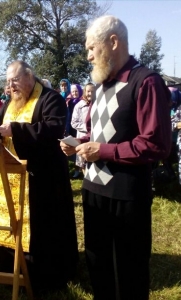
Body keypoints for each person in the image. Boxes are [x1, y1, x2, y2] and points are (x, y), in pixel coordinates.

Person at [60, 15, 171, 300]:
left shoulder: (146, 82)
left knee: (130, 270)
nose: (88, 56)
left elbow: (156, 144)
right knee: (98, 265)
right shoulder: (99, 86)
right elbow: (106, 135)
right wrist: (82, 143)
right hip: (93, 187)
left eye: (91, 48)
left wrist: (103, 151)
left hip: (127, 193)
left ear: (113, 42)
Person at [0, 60, 78, 291]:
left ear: (29, 76)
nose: (11, 86)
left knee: (42, 229)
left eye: (14, 80)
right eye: (8, 81)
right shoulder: (10, 104)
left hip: (42, 179)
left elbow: (52, 128)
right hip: (12, 176)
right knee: (12, 225)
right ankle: (11, 272)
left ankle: (41, 278)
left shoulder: (50, 99)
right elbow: (0, 124)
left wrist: (14, 130)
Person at [71, 83, 94, 178]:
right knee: (83, 158)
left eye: (92, 91)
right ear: (85, 92)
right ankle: (85, 178)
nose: (90, 93)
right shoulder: (79, 106)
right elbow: (74, 122)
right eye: (88, 91)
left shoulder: (98, 104)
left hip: (94, 137)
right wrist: (88, 127)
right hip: (83, 136)